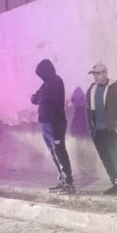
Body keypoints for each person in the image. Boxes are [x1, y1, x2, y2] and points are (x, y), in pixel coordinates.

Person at [85, 62, 117, 195]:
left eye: (98, 74)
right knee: (106, 158)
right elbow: (88, 109)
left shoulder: (115, 88)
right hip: (98, 131)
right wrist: (90, 126)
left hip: (112, 130)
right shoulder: (92, 89)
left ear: (105, 73)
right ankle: (115, 183)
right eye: (94, 74)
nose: (95, 77)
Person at [31, 59, 74, 194]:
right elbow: (35, 99)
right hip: (45, 123)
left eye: (41, 73)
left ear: (47, 71)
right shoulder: (46, 84)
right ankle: (62, 179)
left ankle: (69, 183)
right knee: (53, 152)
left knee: (59, 151)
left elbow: (42, 98)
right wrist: (39, 97)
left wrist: (40, 97)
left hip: (55, 123)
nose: (40, 77)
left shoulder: (56, 81)